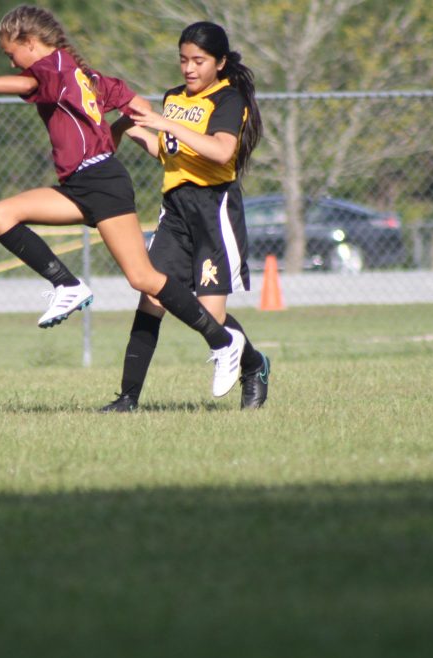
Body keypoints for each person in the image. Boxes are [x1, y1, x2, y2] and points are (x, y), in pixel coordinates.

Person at [0, 4, 245, 397]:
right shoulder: (81, 74)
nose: (13, 65)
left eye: (12, 55)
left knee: (144, 279)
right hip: (82, 183)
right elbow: (130, 99)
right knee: (2, 214)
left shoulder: (52, 66)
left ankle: (222, 340)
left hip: (102, 184)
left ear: (30, 42)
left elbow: (27, 85)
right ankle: (68, 285)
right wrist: (132, 121)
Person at [101, 21, 270, 412]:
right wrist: (129, 123)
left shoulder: (228, 99)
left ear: (220, 62)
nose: (189, 68)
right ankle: (127, 399)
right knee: (151, 297)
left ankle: (255, 365)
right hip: (176, 210)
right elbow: (167, 151)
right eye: (183, 60)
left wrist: (164, 122)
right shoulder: (173, 97)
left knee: (211, 316)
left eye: (199, 60)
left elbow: (221, 151)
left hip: (214, 210)